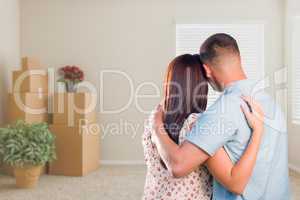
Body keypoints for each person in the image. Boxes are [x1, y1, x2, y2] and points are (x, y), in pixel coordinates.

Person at [152, 33, 291, 200]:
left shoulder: (220, 111)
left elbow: (178, 166)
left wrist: (156, 127)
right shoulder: (270, 103)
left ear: (206, 70)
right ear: (238, 59)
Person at [143, 54, 265, 200]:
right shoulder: (198, 124)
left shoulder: (154, 118)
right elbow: (235, 183)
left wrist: (157, 128)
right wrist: (258, 131)